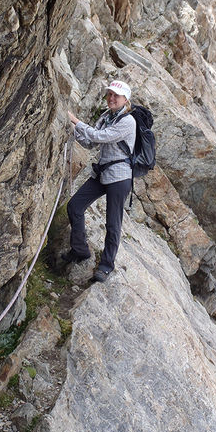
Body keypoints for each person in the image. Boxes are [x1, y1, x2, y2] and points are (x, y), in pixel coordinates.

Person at [63, 80, 136, 282]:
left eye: (116, 96)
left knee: (113, 223)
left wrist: (76, 121)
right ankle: (80, 250)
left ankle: (105, 266)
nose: (111, 98)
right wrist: (71, 127)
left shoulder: (128, 122)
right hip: (103, 173)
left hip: (120, 177)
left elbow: (100, 136)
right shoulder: (106, 117)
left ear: (125, 100)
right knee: (74, 206)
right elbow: (90, 142)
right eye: (109, 94)